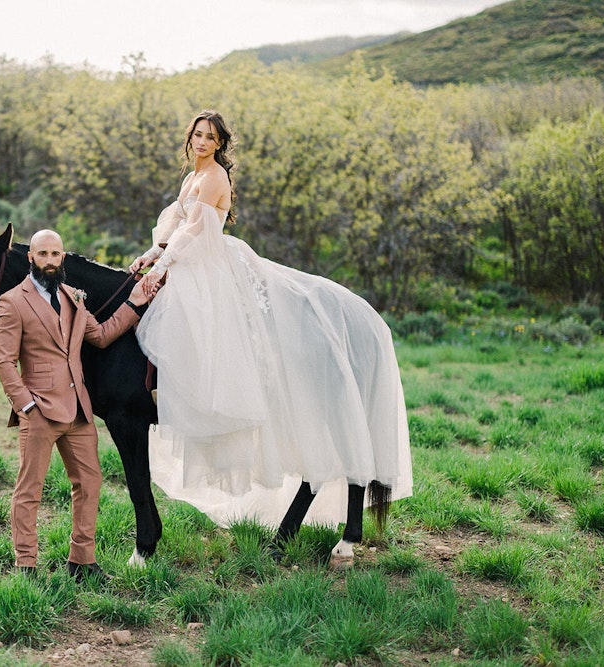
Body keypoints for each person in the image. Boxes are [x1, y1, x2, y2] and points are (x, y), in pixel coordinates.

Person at [130, 110, 412, 537]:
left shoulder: (214, 179)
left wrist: (164, 263)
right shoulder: (190, 178)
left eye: (210, 137)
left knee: (210, 326)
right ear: (189, 139)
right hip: (187, 262)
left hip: (210, 263)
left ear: (221, 144)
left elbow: (194, 236)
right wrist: (151, 256)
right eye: (197, 135)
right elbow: (172, 229)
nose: (202, 142)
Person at [0, 229, 150, 581]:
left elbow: (103, 334)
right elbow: (4, 362)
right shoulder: (12, 302)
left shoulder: (74, 297)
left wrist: (135, 302)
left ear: (62, 258)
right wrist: (26, 406)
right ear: (31, 258)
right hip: (39, 412)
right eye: (43, 254)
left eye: (55, 254)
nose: (50, 260)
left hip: (78, 409)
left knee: (90, 483)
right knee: (29, 490)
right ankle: (26, 566)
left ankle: (82, 562)